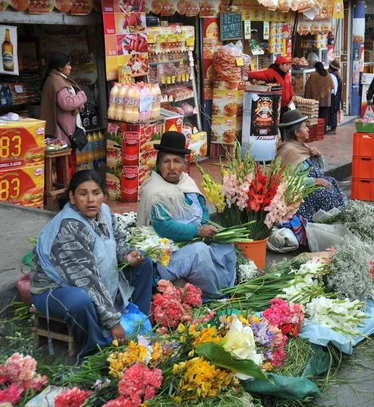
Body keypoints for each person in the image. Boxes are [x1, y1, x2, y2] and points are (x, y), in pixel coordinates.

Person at [30, 170, 153, 361]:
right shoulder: (69, 227)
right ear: (72, 197)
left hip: (96, 276)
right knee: (81, 300)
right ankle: (95, 348)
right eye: (82, 193)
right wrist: (113, 323)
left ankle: (139, 323)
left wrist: (127, 254)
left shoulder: (103, 211)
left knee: (144, 263)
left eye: (96, 193)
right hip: (56, 289)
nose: (90, 200)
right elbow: (86, 282)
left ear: (104, 195)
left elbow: (118, 239)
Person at [137, 132, 236, 298]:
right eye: (166, 161)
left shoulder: (186, 182)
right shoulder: (154, 191)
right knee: (199, 251)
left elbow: (202, 207)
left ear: (183, 165)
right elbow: (164, 227)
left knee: (226, 244)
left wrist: (207, 227)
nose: (172, 167)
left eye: (177, 161)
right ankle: (213, 295)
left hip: (194, 241)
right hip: (168, 255)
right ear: (159, 165)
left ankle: (227, 287)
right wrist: (198, 231)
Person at [276, 110, 346, 220]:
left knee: (333, 187)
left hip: (313, 188)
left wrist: (319, 156)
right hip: (300, 195)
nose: (308, 129)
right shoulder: (287, 151)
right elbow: (288, 180)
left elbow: (320, 169)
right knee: (325, 195)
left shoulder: (302, 147)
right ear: (297, 133)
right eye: (305, 127)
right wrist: (315, 181)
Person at [40, 52, 87, 178]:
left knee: (69, 162)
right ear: (60, 67)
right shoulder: (56, 81)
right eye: (68, 65)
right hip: (64, 130)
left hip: (67, 128)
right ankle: (67, 190)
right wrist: (82, 96)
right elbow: (66, 103)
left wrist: (78, 104)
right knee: (66, 164)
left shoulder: (58, 79)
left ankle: (69, 188)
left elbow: (71, 102)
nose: (70, 67)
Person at [248, 56, 296, 130]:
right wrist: (247, 75)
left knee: (285, 126)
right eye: (286, 65)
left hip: (286, 105)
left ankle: (284, 139)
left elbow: (289, 86)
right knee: (276, 126)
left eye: (289, 65)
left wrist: (292, 95)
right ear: (280, 65)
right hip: (275, 106)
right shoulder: (271, 73)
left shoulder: (286, 74)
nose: (289, 67)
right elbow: (259, 75)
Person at [304, 62, 334, 133]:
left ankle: (316, 132)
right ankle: (323, 131)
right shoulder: (328, 75)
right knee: (324, 117)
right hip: (327, 99)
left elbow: (308, 86)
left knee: (316, 117)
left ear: (316, 68)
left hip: (316, 99)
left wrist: (306, 98)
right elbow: (332, 86)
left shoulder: (314, 75)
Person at [327, 60, 343, 134]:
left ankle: (333, 129)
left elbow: (333, 88)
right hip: (337, 95)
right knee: (334, 111)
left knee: (333, 111)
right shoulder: (337, 75)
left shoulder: (332, 75)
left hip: (334, 95)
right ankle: (333, 128)